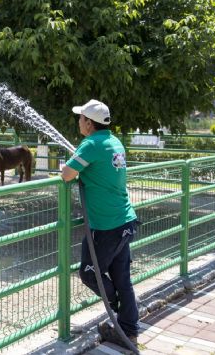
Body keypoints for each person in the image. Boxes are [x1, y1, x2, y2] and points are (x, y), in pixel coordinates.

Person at [60, 99, 139, 347]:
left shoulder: (91, 144)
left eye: (81, 118)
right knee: (121, 276)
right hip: (125, 220)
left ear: (89, 123)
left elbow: (66, 175)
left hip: (105, 227)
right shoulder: (114, 142)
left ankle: (116, 308)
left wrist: (68, 165)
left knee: (88, 272)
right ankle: (127, 328)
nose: (78, 122)